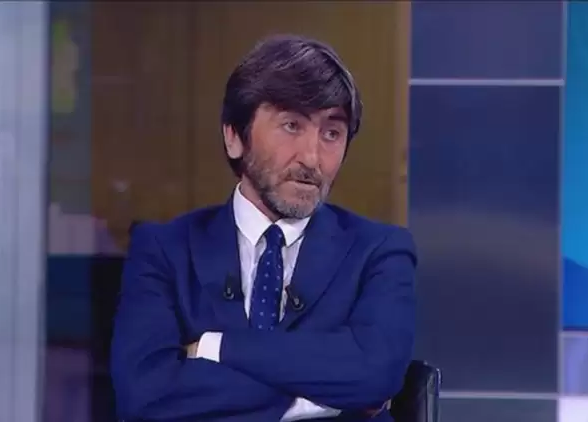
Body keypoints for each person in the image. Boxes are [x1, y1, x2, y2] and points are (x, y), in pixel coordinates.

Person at [110, 34, 417, 422]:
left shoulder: (380, 251)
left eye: (331, 133)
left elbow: (374, 375)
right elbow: (145, 395)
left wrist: (216, 348)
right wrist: (322, 397)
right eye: (291, 125)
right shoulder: (164, 250)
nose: (312, 158)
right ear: (234, 137)